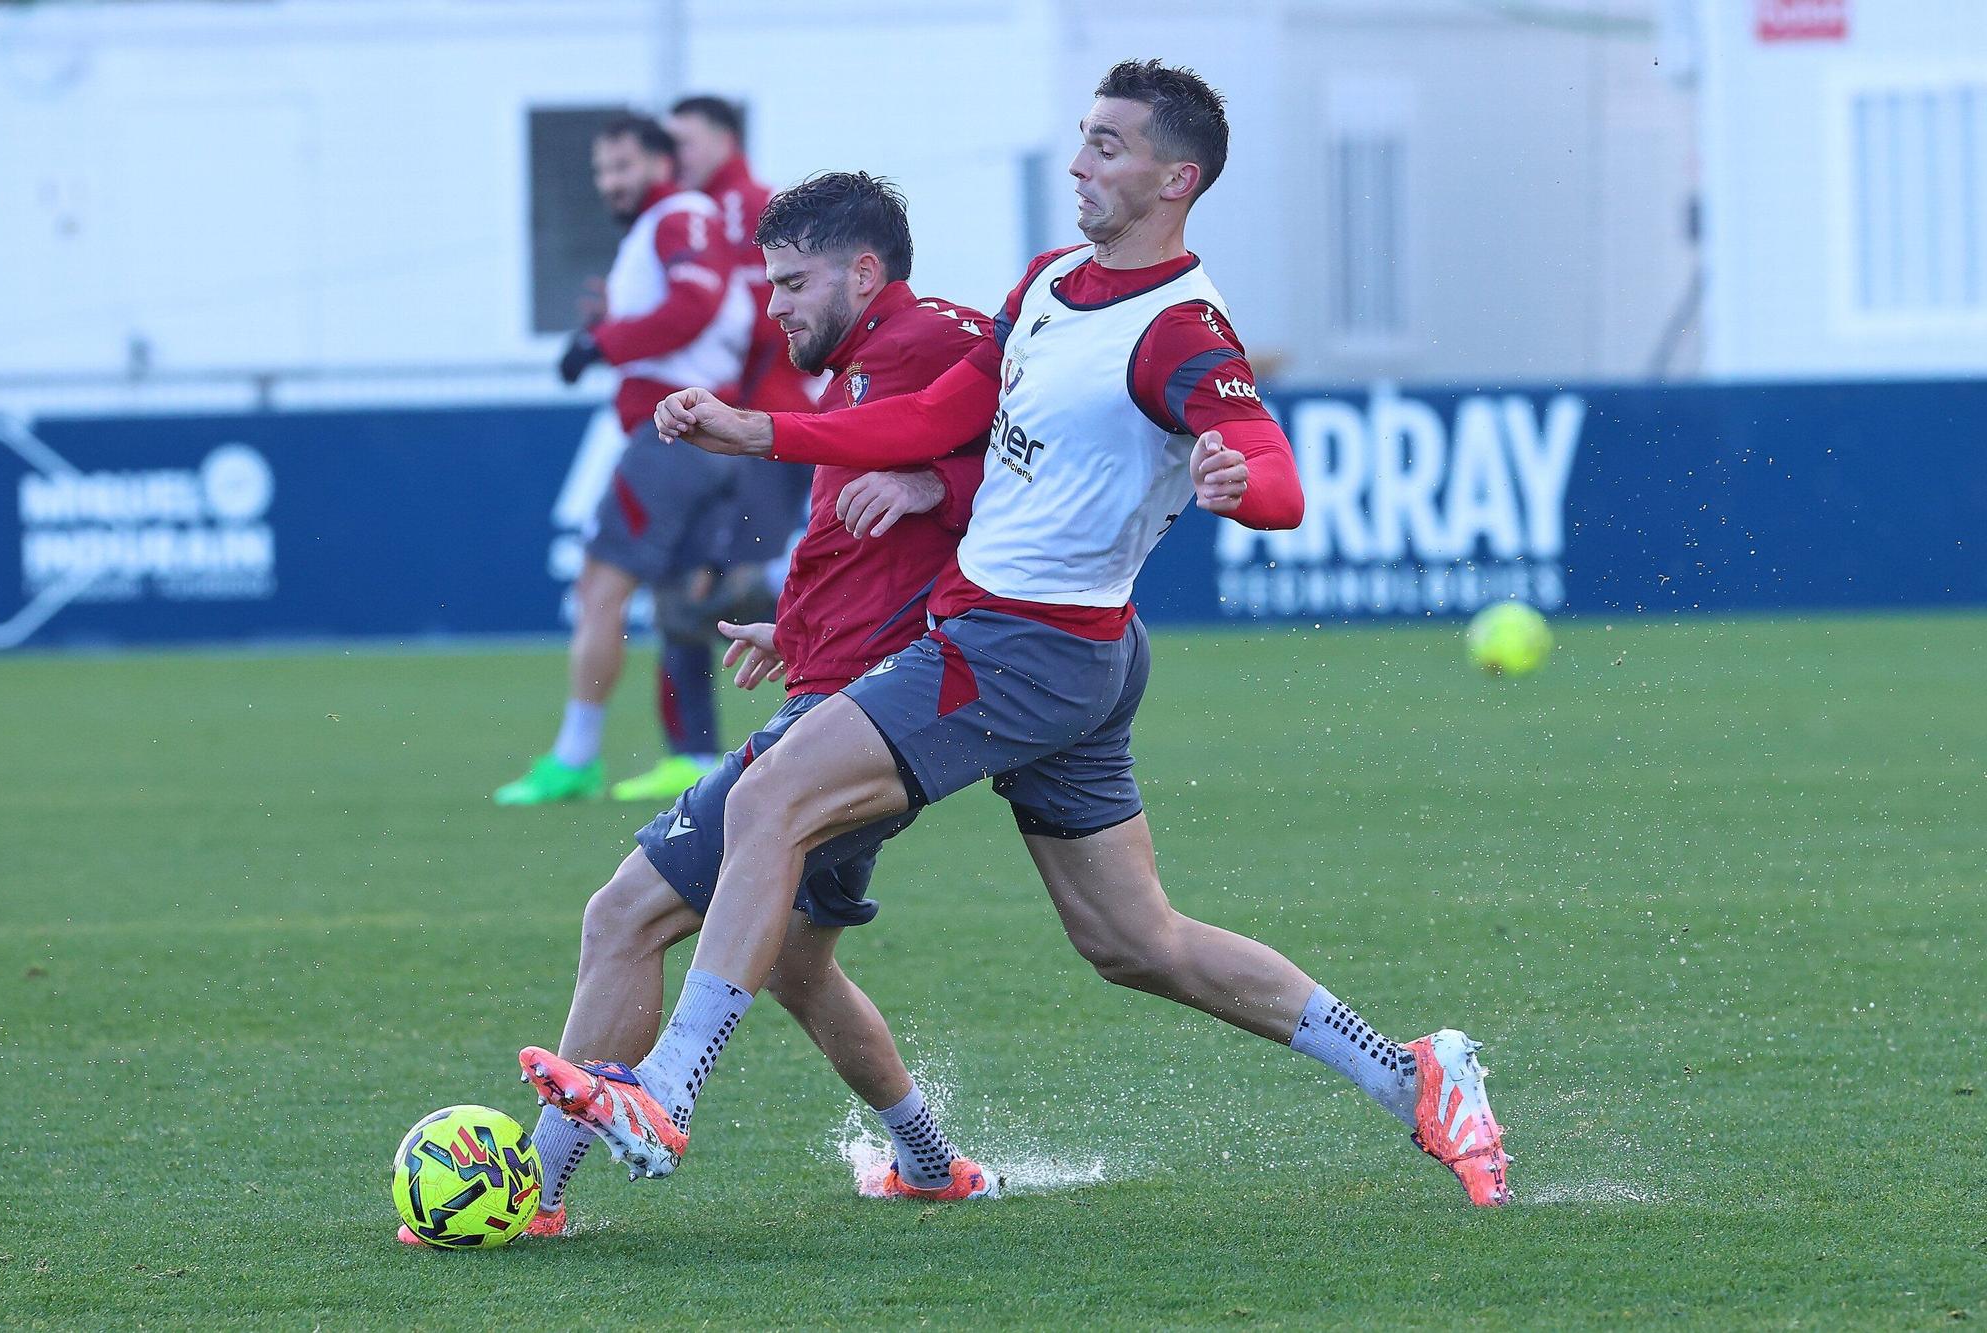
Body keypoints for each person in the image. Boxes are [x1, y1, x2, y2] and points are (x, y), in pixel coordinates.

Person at [527, 60, 1512, 1209]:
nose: (1079, 161)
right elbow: (947, 415)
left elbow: (1276, 473)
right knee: (1135, 942)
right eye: (1083, 138)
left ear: (1173, 177)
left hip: (1019, 652)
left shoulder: (1176, 330)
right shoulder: (1051, 280)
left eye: (1106, 144)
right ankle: (1411, 1077)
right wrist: (764, 434)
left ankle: (667, 1093)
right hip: (1068, 657)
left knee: (769, 801)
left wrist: (1248, 485)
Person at [489, 172, 1002, 1242]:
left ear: (864, 271)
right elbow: (927, 499)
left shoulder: (921, 348)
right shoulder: (893, 350)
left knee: (623, 914)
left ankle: (526, 1194)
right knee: (799, 967)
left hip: (858, 720)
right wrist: (801, 627)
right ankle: (928, 1162)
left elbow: (1039, 460)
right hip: (851, 692)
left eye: (789, 281)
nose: (771, 306)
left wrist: (929, 487)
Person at [493, 116, 752, 808]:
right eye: (602, 171)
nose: (611, 182)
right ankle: (695, 754)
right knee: (679, 603)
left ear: (663, 163)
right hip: (703, 435)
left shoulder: (679, 214)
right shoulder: (667, 224)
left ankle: (575, 755)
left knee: (599, 592)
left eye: (624, 166)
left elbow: (692, 306)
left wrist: (600, 343)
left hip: (673, 433)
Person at [600, 96, 817, 806]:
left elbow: (782, 322)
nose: (676, 152)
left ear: (725, 138)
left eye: (686, 141)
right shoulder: (682, 219)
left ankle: (827, 716)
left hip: (770, 427)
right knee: (683, 589)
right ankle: (690, 751)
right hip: (715, 423)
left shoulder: (766, 213)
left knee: (740, 585)